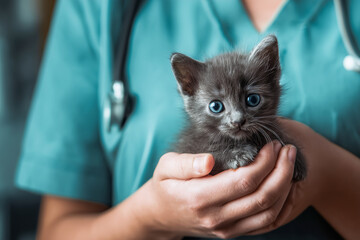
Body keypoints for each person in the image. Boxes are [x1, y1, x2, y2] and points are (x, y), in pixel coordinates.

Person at [16, 0, 360, 239]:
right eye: (218, 107)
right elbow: (56, 231)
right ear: (187, 88)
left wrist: (327, 173)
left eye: (252, 100)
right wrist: (152, 218)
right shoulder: (100, 8)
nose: (238, 118)